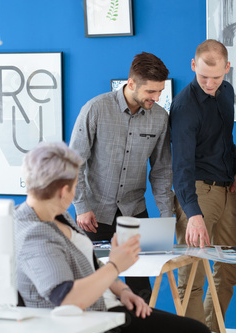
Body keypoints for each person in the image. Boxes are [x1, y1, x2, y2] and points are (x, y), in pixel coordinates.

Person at [15, 142, 210, 333]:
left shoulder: (57, 215)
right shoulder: (35, 235)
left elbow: (90, 266)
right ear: (63, 191)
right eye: (75, 186)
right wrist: (116, 265)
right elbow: (68, 298)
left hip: (108, 306)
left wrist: (123, 291)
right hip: (96, 318)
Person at [69, 52, 174, 302]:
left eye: (160, 92)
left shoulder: (160, 118)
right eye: (151, 92)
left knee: (140, 288)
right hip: (93, 216)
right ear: (131, 83)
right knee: (92, 285)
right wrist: (81, 207)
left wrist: (166, 215)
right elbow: (73, 163)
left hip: (134, 213)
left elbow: (161, 171)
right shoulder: (96, 108)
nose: (156, 98)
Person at [169, 39, 236, 332]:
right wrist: (193, 213)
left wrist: (235, 169)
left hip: (226, 191)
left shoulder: (226, 92)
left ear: (227, 68)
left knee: (229, 266)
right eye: (203, 77)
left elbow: (226, 138)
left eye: (216, 77)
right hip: (197, 193)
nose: (210, 83)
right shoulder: (185, 106)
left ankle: (213, 328)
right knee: (193, 275)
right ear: (193, 66)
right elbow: (181, 165)